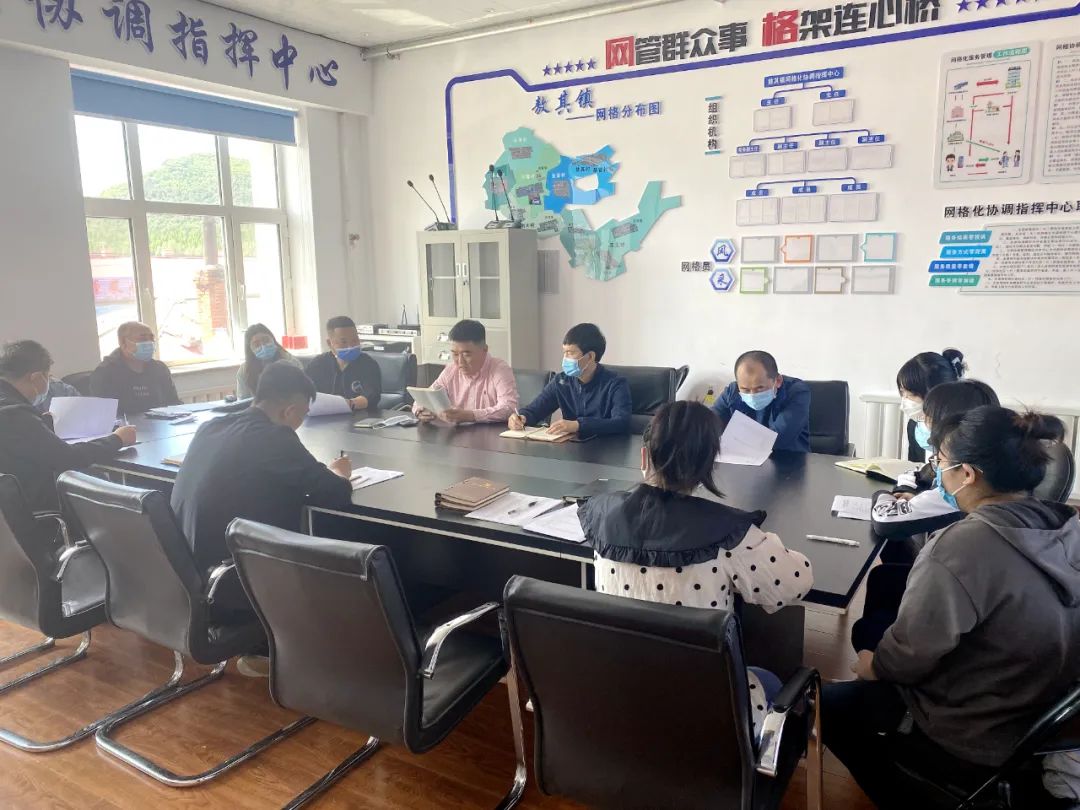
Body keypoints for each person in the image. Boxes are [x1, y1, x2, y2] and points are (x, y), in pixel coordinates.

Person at [823, 407, 1080, 809]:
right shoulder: (1067, 525)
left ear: (968, 474)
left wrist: (875, 665)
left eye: (940, 462)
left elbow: (909, 655)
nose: (937, 471)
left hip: (975, 734)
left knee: (826, 705)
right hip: (1046, 722)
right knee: (886, 588)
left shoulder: (961, 548)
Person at [580, 401, 813, 737]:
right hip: (709, 711)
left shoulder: (600, 514)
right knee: (771, 680)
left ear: (644, 457)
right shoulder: (728, 532)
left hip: (622, 695)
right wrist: (766, 541)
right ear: (708, 466)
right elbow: (795, 583)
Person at [171, 362, 353, 584]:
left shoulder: (210, 427)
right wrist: (338, 472)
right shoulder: (274, 438)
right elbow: (336, 492)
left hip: (188, 572)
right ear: (289, 411)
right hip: (234, 579)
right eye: (303, 415)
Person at [854, 380, 1001, 653]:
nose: (921, 424)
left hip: (957, 615)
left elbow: (886, 520)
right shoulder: (986, 473)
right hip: (968, 595)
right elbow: (921, 472)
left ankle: (880, 662)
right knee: (884, 576)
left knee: (872, 613)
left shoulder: (958, 492)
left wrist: (884, 495)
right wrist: (912, 489)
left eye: (927, 418)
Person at [0, 340, 136, 512]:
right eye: (48, 377)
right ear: (36, 377)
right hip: (37, 513)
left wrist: (42, 424)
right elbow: (68, 458)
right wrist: (117, 439)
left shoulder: (10, 408)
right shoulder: (15, 414)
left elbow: (23, 444)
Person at [509, 323, 631, 438]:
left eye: (570, 353)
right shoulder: (561, 381)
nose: (565, 359)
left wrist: (578, 425)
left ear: (590, 356)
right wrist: (521, 417)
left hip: (606, 448)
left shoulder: (616, 384)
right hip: (572, 447)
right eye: (564, 353)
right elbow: (535, 410)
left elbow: (621, 423)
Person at [413, 319, 518, 424]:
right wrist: (420, 410)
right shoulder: (451, 370)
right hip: (457, 433)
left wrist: (470, 415)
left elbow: (508, 408)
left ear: (485, 350)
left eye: (466, 354)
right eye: (455, 354)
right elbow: (426, 396)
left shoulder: (499, 369)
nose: (460, 362)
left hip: (493, 433)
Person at [711, 350, 811, 453]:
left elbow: (779, 438)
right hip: (742, 458)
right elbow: (709, 425)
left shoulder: (796, 391)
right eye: (745, 390)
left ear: (778, 381)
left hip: (787, 458)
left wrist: (734, 438)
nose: (752, 395)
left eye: (759, 388)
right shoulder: (732, 392)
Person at [90, 321, 181, 417]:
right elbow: (105, 416)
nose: (149, 343)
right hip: (126, 425)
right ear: (123, 343)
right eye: (143, 339)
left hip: (163, 423)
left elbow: (174, 404)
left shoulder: (159, 368)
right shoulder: (106, 372)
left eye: (151, 338)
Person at [896, 348, 965, 463]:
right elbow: (915, 466)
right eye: (902, 392)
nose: (905, 401)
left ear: (937, 394)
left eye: (912, 394)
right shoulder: (915, 426)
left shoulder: (962, 433)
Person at [304, 316, 381, 411]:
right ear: (329, 343)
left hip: (361, 416)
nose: (350, 346)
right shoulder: (317, 365)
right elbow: (304, 394)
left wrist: (347, 404)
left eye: (355, 340)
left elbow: (371, 397)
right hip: (322, 416)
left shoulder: (368, 364)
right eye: (344, 342)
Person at [235, 323, 303, 400]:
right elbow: (242, 401)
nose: (263, 346)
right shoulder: (244, 371)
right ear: (250, 349)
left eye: (266, 340)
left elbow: (303, 392)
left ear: (273, 340)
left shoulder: (291, 362)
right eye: (256, 344)